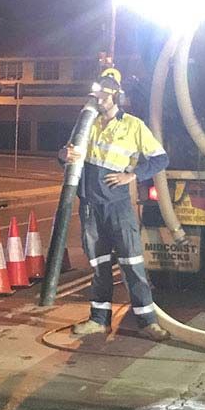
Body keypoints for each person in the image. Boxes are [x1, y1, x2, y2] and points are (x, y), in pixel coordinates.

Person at [59, 69, 171, 341]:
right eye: (98, 93)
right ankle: (99, 320)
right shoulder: (88, 122)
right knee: (99, 265)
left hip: (118, 206)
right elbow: (66, 154)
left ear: (116, 96)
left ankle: (147, 323)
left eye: (105, 94)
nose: (99, 98)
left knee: (132, 263)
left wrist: (132, 175)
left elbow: (160, 159)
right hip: (90, 205)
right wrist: (64, 154)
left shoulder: (133, 125)